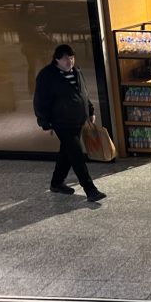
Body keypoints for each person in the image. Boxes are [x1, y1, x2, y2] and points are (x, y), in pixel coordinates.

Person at [33, 44, 106, 202]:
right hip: (61, 122)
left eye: (72, 58)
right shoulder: (47, 76)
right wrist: (44, 121)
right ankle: (90, 189)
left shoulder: (76, 71)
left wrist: (90, 111)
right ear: (57, 59)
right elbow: (40, 100)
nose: (69, 61)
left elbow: (83, 93)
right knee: (76, 154)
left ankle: (56, 182)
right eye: (66, 58)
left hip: (78, 120)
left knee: (66, 153)